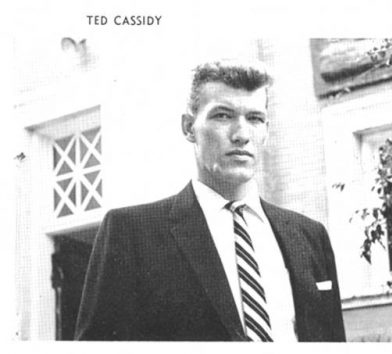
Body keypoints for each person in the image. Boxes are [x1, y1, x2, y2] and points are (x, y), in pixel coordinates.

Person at [74, 60, 346, 342]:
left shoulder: (310, 237)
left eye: (254, 118)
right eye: (223, 116)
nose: (241, 135)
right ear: (189, 127)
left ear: (266, 130)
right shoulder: (131, 233)